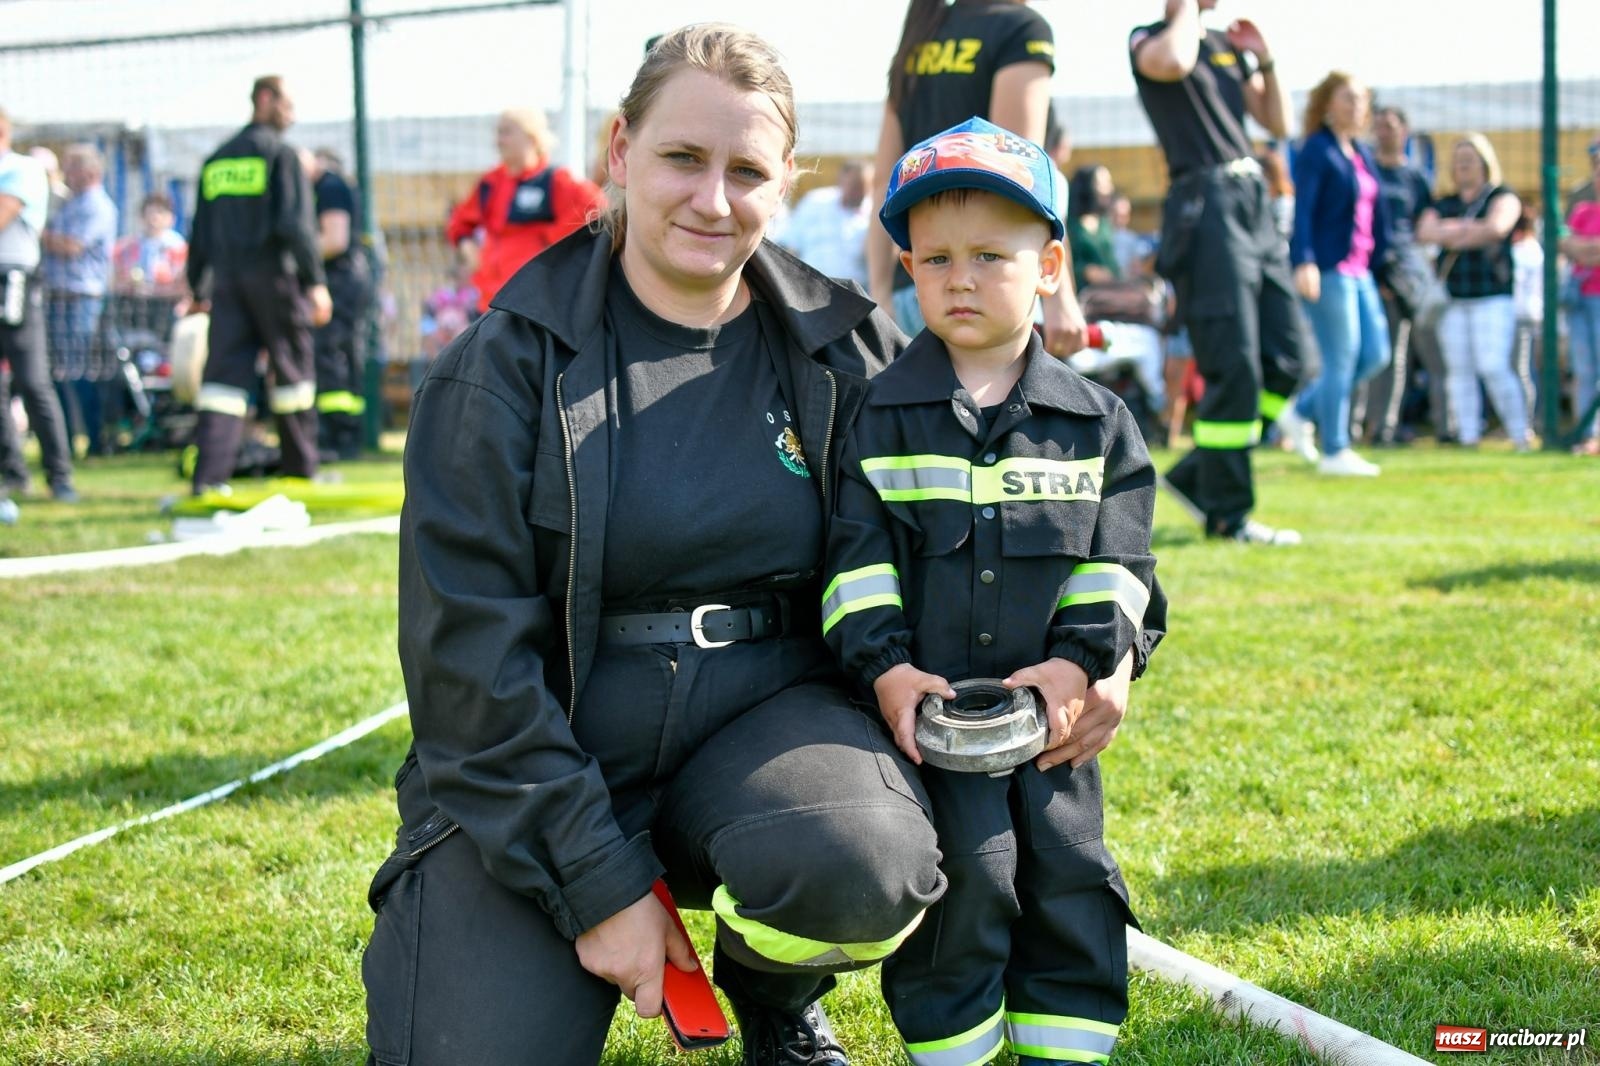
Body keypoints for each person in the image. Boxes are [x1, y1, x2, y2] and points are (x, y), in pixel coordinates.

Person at [826, 116, 1164, 1066]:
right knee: (964, 882)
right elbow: (855, 566)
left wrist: (1081, 665)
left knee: (1069, 878)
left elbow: (1123, 564)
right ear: (904, 270)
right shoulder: (878, 419)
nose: (959, 278)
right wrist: (886, 673)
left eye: (989, 254)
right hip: (928, 729)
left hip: (1054, 726)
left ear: (1050, 263)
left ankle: (1069, 1046)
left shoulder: (1098, 424)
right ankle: (954, 1049)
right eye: (933, 259)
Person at [1131, 0, 1308, 545]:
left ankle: (1197, 477)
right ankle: (1229, 517)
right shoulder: (1151, 37)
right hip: (1204, 205)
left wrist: (1266, 61)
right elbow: (1173, 63)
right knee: (1233, 367)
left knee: (1290, 359)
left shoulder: (1225, 46)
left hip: (1252, 199)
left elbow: (1278, 123)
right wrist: (1185, 9)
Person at [867, 0, 1090, 355]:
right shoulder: (1021, 28)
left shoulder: (920, 35)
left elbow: (884, 180)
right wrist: (1060, 297)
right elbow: (1024, 178)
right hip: (987, 285)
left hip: (918, 287)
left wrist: (879, 292)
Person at [185, 75, 332, 493]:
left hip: (228, 285)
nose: (292, 113)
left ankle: (209, 478)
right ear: (264, 99)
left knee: (222, 380)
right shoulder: (280, 156)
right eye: (287, 103)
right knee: (293, 375)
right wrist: (315, 282)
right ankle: (301, 471)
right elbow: (295, 225)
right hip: (276, 282)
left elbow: (201, 232)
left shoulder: (216, 161)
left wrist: (197, 287)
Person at [1284, 71, 1391, 477]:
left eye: (1362, 99)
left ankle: (1303, 411)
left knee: (1375, 353)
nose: (1357, 106)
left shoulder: (1359, 152)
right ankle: (1335, 450)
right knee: (1340, 358)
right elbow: (1304, 211)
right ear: (1327, 103)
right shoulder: (1316, 149)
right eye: (1348, 98)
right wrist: (1304, 260)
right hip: (1328, 268)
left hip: (1360, 269)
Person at [1415, 135, 1532, 450]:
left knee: (1493, 365)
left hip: (1492, 295)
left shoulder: (1502, 195)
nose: (1463, 165)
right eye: (1458, 160)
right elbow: (1425, 232)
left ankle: (1520, 433)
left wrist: (1449, 233)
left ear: (1485, 162)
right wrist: (1470, 231)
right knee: (1459, 371)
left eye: (1470, 158)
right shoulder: (1444, 202)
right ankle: (1468, 436)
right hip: (1453, 299)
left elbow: (1496, 228)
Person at [445, 107, 605, 314]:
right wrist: (466, 246)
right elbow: (460, 220)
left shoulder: (554, 181)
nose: (499, 140)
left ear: (531, 137)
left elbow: (597, 207)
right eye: (498, 133)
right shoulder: (490, 183)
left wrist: (550, 240)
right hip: (489, 303)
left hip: (536, 304)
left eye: (507, 132)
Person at [0, 105, 76, 502]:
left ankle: (59, 476)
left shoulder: (22, 169)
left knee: (32, 381)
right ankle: (12, 474)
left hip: (13, 282)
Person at [1365, 104, 1445, 446]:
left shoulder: (1414, 178)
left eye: (1391, 125)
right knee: (1375, 355)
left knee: (1411, 355)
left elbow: (1424, 223)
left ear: (1404, 132)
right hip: (1371, 271)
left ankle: (1398, 425)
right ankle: (1368, 425)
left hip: (1407, 277)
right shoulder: (1365, 169)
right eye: (1378, 125)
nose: (1384, 132)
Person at [41, 143, 118, 459]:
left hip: (82, 297)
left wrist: (36, 233)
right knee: (59, 372)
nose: (66, 175)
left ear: (89, 172)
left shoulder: (97, 206)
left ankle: (94, 439)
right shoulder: (69, 204)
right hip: (59, 296)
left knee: (79, 371)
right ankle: (68, 440)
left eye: (71, 168)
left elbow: (72, 246)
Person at [305, 147, 374, 461]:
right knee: (340, 353)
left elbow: (334, 240)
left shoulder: (330, 187)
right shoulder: (328, 187)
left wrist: (295, 258)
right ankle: (343, 433)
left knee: (331, 353)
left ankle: (339, 435)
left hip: (341, 280)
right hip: (345, 279)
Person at [773, 160, 875, 287]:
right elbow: (789, 243)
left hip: (856, 293)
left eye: (864, 187)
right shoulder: (816, 201)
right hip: (810, 286)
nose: (859, 192)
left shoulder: (874, 213)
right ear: (842, 180)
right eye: (855, 186)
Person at [1560, 137, 1600, 455]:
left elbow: (1579, 249)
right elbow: (1566, 245)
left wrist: (1583, 249)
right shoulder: (1582, 208)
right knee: (1584, 370)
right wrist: (1588, 250)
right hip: (1580, 300)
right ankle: (1587, 434)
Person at [1067, 164, 1121, 290]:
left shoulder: (1104, 223)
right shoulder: (1071, 224)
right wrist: (1086, 271)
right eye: (1103, 183)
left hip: (1108, 293)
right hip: (1081, 294)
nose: (1109, 188)